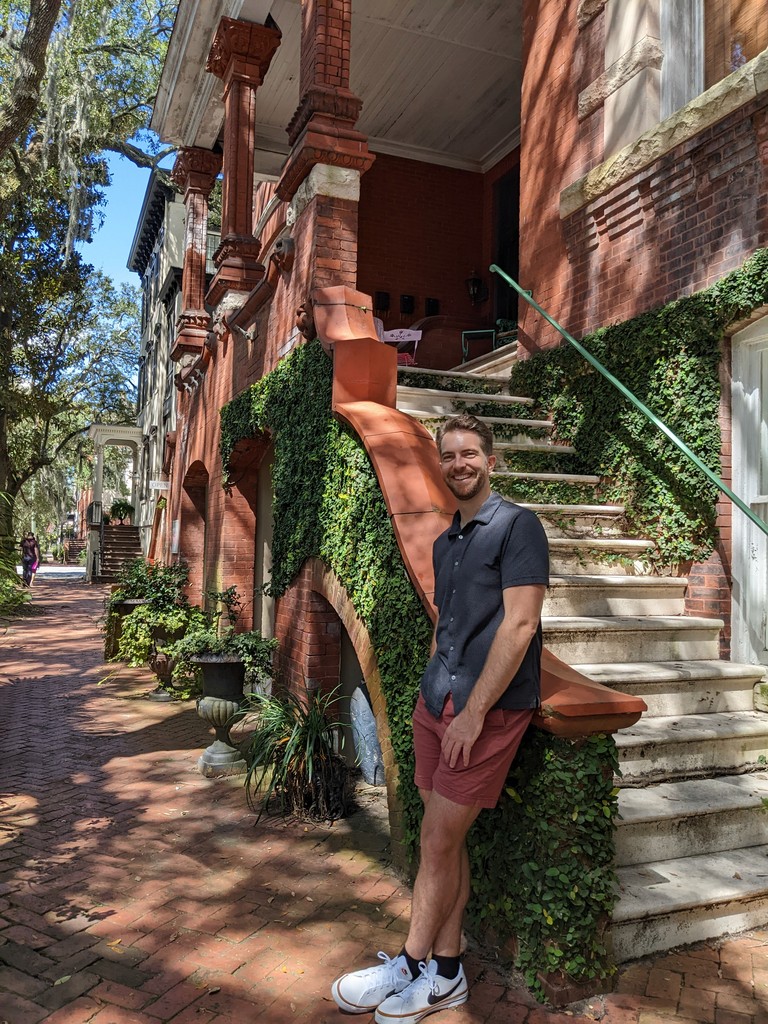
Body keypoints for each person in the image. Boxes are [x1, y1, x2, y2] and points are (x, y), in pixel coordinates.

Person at [331, 413, 549, 1024]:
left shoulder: (517, 526)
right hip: (437, 703)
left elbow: (521, 624)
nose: (459, 464)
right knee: (443, 843)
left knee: (434, 840)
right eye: (449, 454)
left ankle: (407, 963)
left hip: (487, 712)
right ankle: (447, 973)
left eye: (470, 453)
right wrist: (432, 698)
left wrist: (473, 713)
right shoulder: (445, 541)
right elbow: (446, 628)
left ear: (491, 460)